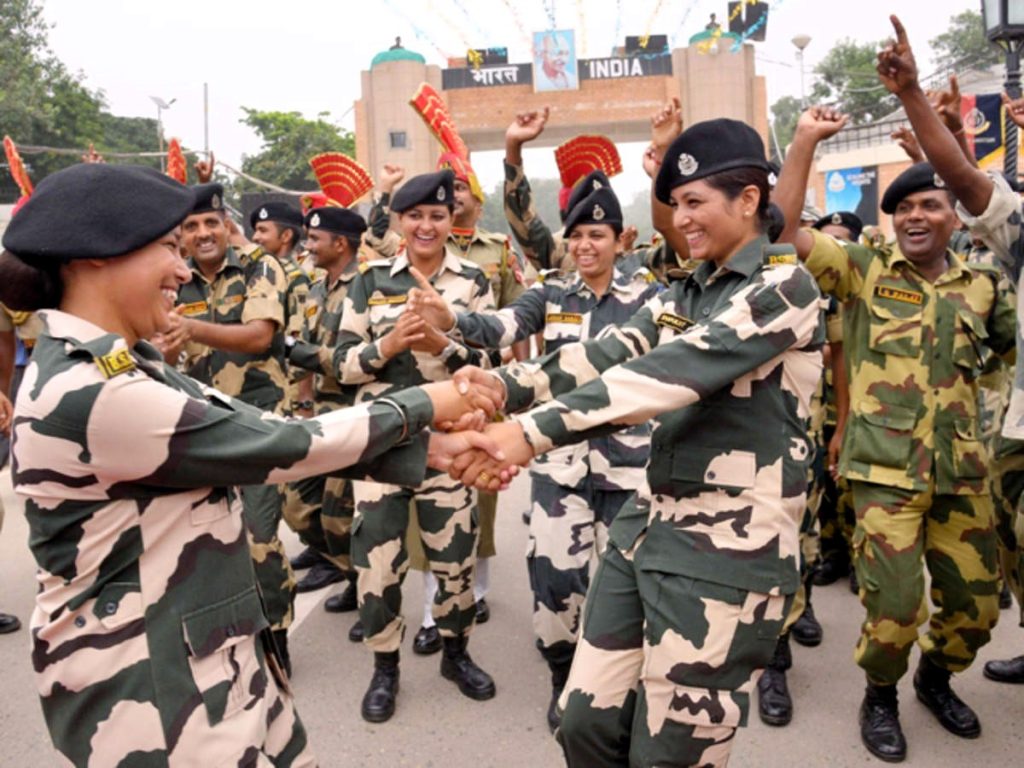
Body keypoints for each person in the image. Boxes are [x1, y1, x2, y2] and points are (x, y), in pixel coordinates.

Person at [0, 162, 509, 767]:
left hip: (212, 658)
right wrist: (431, 402)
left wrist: (435, 451)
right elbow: (277, 446)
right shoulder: (87, 390)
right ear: (93, 258)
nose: (183, 269)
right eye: (167, 247)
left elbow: (269, 433)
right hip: (150, 689)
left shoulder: (127, 363)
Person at [446, 118, 825, 767]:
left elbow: (660, 376)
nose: (680, 220)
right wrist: (502, 387)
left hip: (729, 553)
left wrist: (526, 435)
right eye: (675, 205)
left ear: (749, 199)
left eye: (693, 203)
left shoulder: (783, 290)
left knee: (668, 754)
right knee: (583, 723)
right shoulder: (684, 292)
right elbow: (601, 355)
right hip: (648, 524)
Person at [774, 88, 1016, 762]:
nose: (915, 215)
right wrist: (803, 144)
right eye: (903, 206)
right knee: (894, 610)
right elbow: (783, 234)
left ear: (952, 216)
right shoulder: (865, 270)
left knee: (975, 611)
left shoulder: (985, 286)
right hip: (883, 474)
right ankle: (881, 694)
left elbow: (1006, 358)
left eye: (929, 204)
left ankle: (936, 678)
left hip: (963, 474)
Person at [409, 181, 663, 731]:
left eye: (597, 234)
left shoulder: (650, 298)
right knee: (555, 586)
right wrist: (450, 320)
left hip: (630, 468)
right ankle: (563, 676)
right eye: (576, 236)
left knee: (632, 588)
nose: (585, 245)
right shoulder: (550, 293)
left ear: (620, 240)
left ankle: (627, 687)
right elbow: (501, 326)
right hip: (560, 465)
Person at [335, 170, 498, 723]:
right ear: (400, 222)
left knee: (454, 560)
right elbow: (339, 364)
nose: (427, 225)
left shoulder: (473, 281)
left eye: (438, 215)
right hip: (382, 446)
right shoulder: (370, 279)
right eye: (416, 216)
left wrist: (443, 345)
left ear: (452, 221)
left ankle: (456, 653)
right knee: (378, 565)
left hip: (450, 446)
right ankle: (385, 669)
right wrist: (384, 347)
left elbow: (491, 370)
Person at [159, 183, 301, 670]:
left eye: (211, 223)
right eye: (192, 227)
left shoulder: (262, 266)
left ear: (226, 226)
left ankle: (278, 634)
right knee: (210, 542)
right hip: (199, 427)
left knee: (260, 539)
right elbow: (167, 353)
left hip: (258, 426)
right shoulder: (175, 280)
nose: (203, 234)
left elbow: (261, 337)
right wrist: (170, 347)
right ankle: (227, 634)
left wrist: (191, 328)